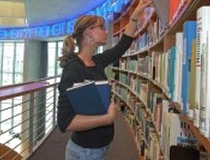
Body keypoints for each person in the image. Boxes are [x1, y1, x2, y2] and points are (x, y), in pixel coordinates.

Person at [57, 0, 152, 159]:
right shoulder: (74, 70)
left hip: (98, 148)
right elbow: (65, 122)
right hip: (85, 152)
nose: (106, 31)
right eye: (102, 27)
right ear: (89, 33)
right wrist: (106, 119)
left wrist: (135, 16)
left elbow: (123, 45)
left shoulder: (97, 61)